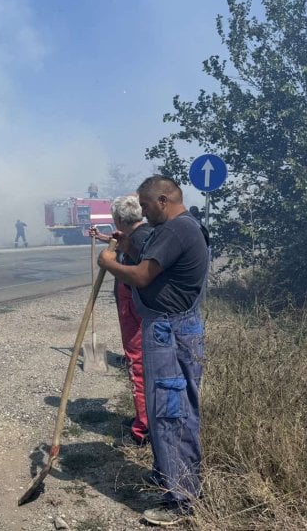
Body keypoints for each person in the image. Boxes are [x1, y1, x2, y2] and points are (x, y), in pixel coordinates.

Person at [97, 175, 210, 526]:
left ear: (162, 200)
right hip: (168, 327)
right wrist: (125, 246)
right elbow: (153, 263)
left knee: (171, 411)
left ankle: (182, 499)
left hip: (170, 330)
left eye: (145, 206)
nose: (143, 213)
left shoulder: (178, 229)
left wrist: (108, 262)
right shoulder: (180, 228)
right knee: (166, 408)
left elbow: (144, 276)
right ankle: (168, 475)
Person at [90, 196, 153, 446]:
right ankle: (146, 419)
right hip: (143, 310)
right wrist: (108, 241)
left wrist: (110, 262)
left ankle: (143, 429)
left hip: (133, 308)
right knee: (145, 363)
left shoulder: (139, 241)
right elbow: (130, 248)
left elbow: (136, 270)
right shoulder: (146, 234)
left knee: (136, 363)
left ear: (117, 219)